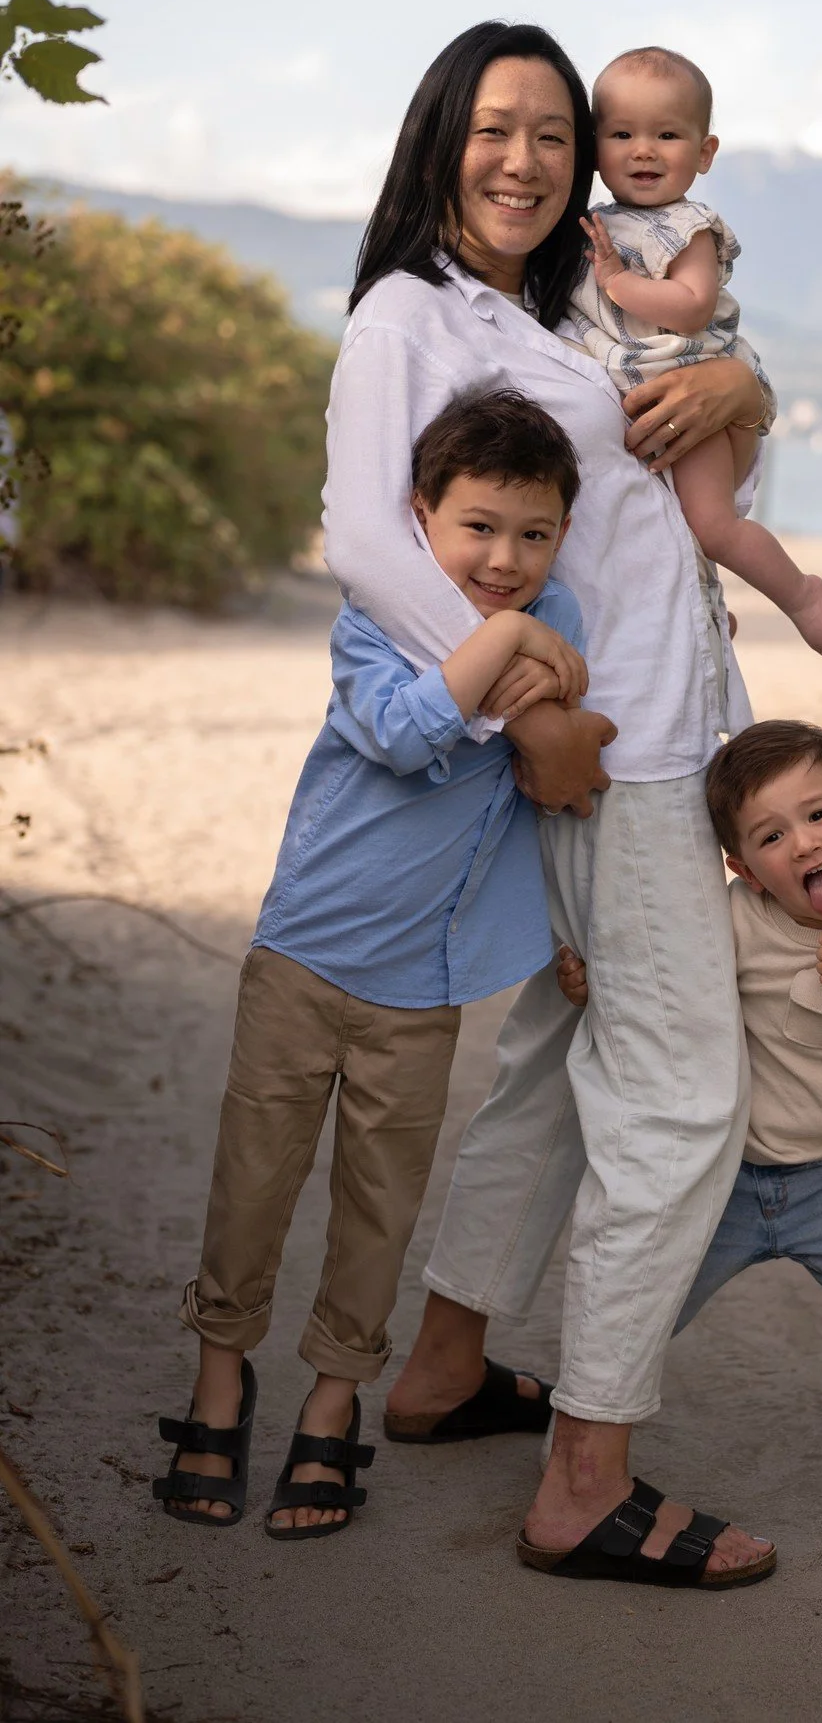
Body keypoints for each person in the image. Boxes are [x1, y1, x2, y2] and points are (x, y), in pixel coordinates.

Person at [327, 21, 776, 1585]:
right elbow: (368, 542)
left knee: (557, 1055)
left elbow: (663, 442)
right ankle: (588, 1476)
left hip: (661, 720)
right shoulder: (410, 312)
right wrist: (525, 703)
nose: (522, 159)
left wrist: (742, 375)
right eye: (490, 129)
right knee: (676, 1091)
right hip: (612, 742)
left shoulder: (547, 304)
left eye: (551, 134)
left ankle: (448, 1362)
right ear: (438, 136)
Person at [153, 390, 588, 1541]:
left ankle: (334, 1400)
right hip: (305, 952)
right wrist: (505, 642)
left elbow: (567, 749)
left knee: (377, 1206)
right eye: (478, 526)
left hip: (423, 984)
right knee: (252, 1182)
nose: (505, 559)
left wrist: (572, 929)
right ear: (420, 518)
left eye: (534, 534)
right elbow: (401, 733)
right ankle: (219, 1378)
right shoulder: (375, 620)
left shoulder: (563, 621)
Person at [557, 718, 822, 1585]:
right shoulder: (731, 922)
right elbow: (659, 986)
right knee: (636, 1302)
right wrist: (596, 981)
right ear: (744, 868)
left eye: (819, 814)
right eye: (770, 836)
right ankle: (578, 1446)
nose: (803, 842)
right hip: (724, 1179)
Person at [568, 46, 822, 662]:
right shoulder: (595, 223)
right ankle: (708, 609)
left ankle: (801, 594)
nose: (643, 149)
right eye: (622, 134)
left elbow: (692, 304)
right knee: (663, 522)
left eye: (666, 134)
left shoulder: (686, 226)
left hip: (691, 385)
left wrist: (619, 283)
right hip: (646, 398)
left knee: (712, 525)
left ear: (704, 152)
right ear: (595, 147)